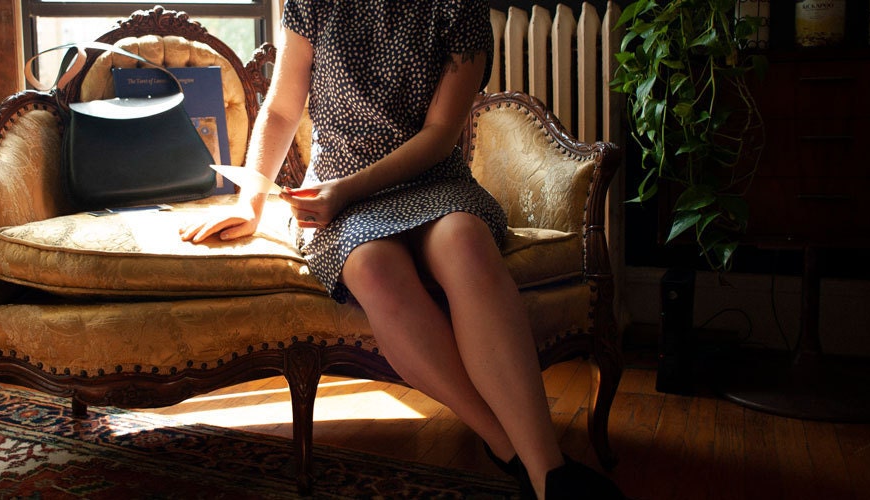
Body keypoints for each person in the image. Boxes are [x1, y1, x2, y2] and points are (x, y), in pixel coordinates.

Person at [180, 1, 624, 498]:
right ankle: (517, 455)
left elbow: (439, 136)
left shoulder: (460, 9)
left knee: (466, 243)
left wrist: (344, 192)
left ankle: (547, 469)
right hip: (336, 193)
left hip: (430, 180)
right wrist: (251, 201)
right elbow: (282, 109)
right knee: (373, 269)